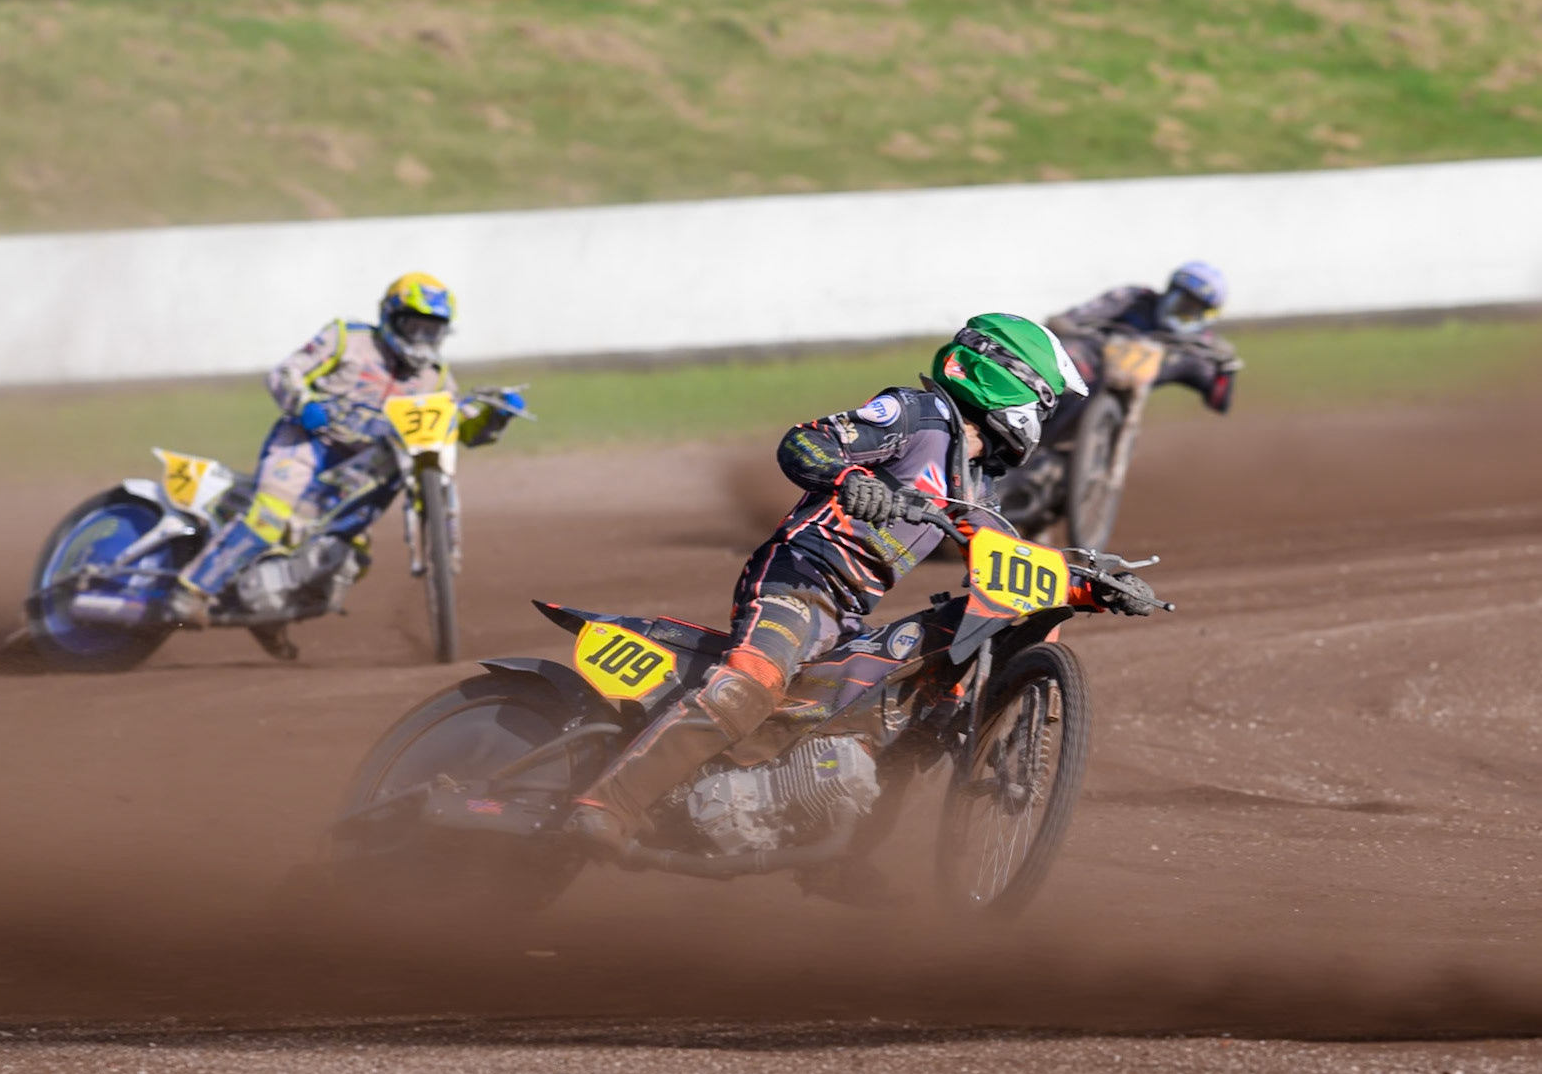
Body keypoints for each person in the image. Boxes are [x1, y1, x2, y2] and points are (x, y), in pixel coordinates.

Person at [564, 313, 1156, 860]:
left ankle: (838, 860)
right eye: (1044, 401)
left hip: (846, 612)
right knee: (753, 681)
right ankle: (608, 803)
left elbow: (1008, 557)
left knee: (907, 715)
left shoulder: (974, 482)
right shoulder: (915, 414)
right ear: (1008, 381)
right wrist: (851, 479)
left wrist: (1089, 586)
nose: (1043, 417)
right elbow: (804, 441)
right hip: (798, 580)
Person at [169, 272, 521, 657]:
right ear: (391, 317)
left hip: (362, 467)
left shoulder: (434, 377)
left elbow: (456, 430)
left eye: (431, 330)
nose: (421, 338)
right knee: (269, 516)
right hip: (307, 442)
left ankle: (269, 614)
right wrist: (303, 404)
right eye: (414, 326)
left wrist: (494, 417)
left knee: (347, 557)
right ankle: (192, 590)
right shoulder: (346, 338)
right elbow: (285, 373)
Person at [1040, 260, 1242, 444]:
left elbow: (1219, 400)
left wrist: (1227, 369)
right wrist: (1064, 324)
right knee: (1063, 360)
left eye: (1193, 310)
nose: (1185, 312)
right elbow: (1074, 317)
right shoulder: (1134, 298)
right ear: (1170, 291)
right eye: (1183, 303)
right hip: (1095, 356)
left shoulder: (1199, 345)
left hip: (1129, 401)